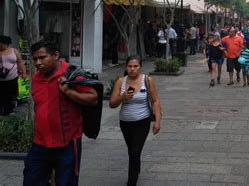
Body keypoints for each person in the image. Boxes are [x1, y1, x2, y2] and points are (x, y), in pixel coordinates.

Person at [24, 40, 98, 185]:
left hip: (67, 144)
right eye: (35, 59)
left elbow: (93, 98)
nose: (38, 63)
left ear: (56, 55)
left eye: (42, 57)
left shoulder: (72, 74)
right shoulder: (36, 78)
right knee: (31, 180)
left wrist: (69, 92)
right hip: (40, 143)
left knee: (66, 182)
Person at [109, 55, 161, 186]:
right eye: (130, 66)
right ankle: (136, 168)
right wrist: (122, 97)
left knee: (135, 151)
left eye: (135, 66)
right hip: (125, 123)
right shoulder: (121, 81)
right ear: (126, 67)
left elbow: (155, 101)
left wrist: (158, 121)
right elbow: (112, 104)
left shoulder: (147, 80)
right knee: (132, 150)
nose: (132, 69)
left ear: (140, 67)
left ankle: (131, 182)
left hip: (142, 121)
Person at [0, 35, 26, 115]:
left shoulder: (14, 51)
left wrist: (24, 73)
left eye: (1, 43)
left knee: (11, 95)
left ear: (6, 43)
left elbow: (20, 62)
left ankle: (9, 110)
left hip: (12, 78)